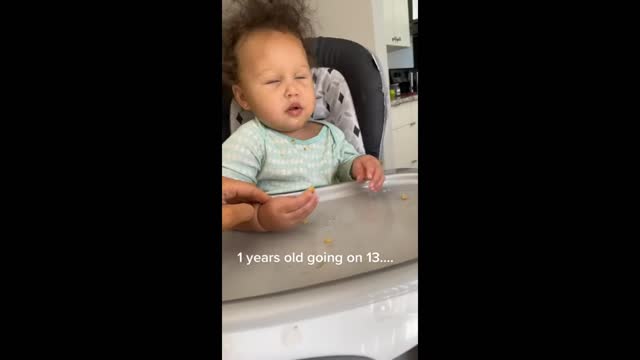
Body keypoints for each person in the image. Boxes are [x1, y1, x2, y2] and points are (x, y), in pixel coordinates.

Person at [222, 0, 384, 232]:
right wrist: (261, 218)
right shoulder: (250, 141)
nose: (292, 90)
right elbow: (229, 207)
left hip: (336, 233)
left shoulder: (332, 135)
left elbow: (347, 165)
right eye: (273, 81)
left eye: (300, 77)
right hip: (274, 249)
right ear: (243, 97)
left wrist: (361, 164)